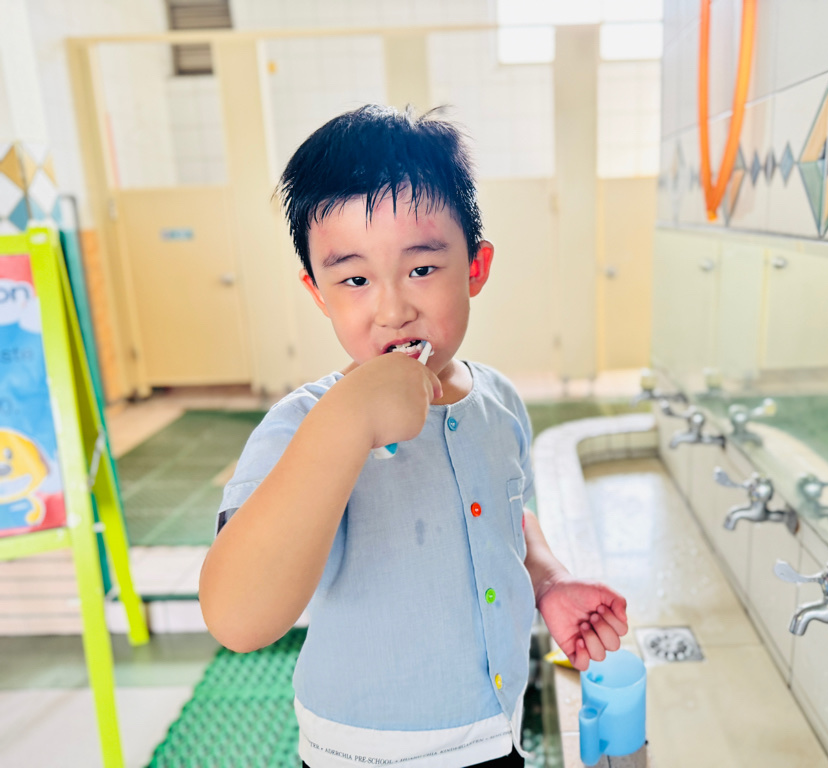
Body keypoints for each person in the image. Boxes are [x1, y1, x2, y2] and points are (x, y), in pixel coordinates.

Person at [198, 104, 629, 768]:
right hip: (364, 755)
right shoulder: (301, 424)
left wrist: (549, 580)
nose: (394, 308)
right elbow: (238, 618)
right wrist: (348, 422)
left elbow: (507, 513)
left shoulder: (499, 401)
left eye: (422, 269)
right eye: (355, 279)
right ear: (318, 293)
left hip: (495, 735)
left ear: (475, 267)